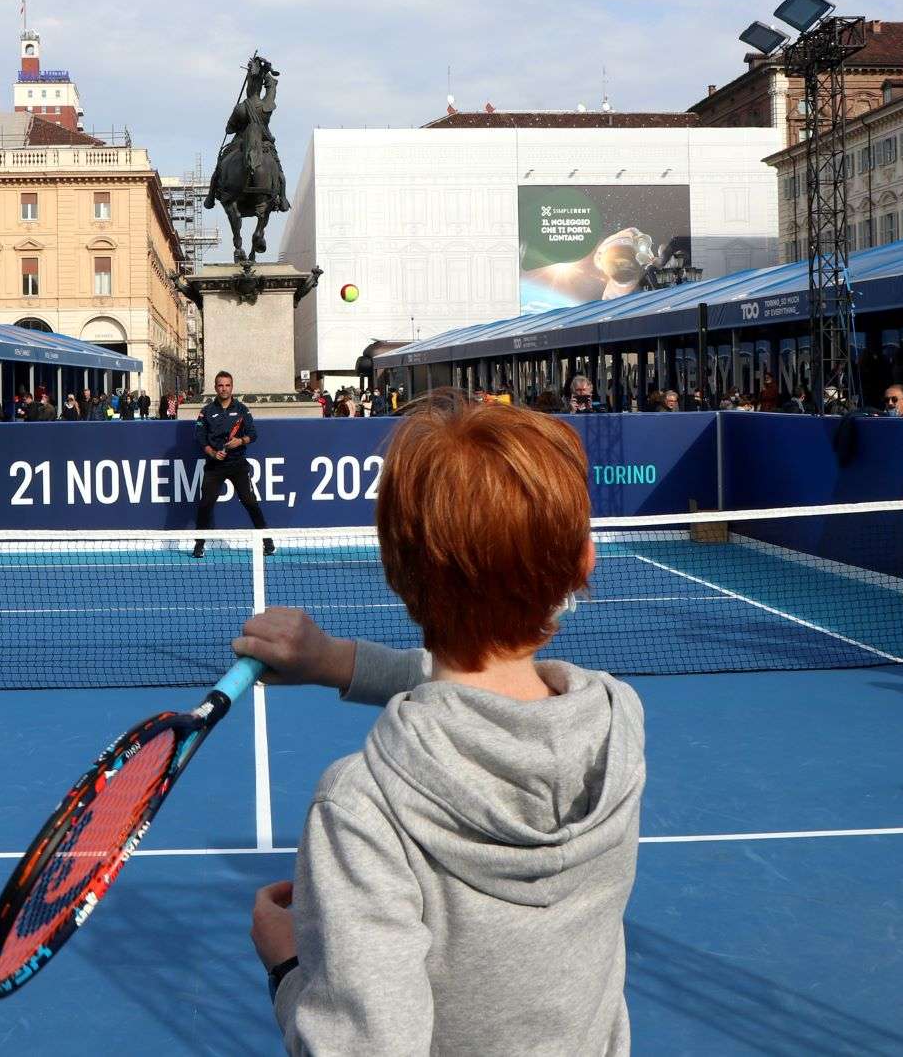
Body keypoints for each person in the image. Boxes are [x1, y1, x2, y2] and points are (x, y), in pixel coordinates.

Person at [238, 390, 644, 1051]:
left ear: (396, 572)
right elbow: (491, 697)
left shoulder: (363, 809)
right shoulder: (617, 720)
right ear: (582, 562)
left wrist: (288, 968)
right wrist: (335, 661)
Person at [191, 371, 272, 557]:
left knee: (251, 503)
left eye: (227, 385)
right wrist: (211, 452)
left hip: (238, 464)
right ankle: (199, 545)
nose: (224, 388)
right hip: (214, 466)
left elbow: (253, 434)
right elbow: (199, 436)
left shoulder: (242, 409)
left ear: (232, 387)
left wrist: (240, 441)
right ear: (215, 387)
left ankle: (268, 542)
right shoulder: (206, 411)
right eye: (220, 385)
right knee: (205, 504)